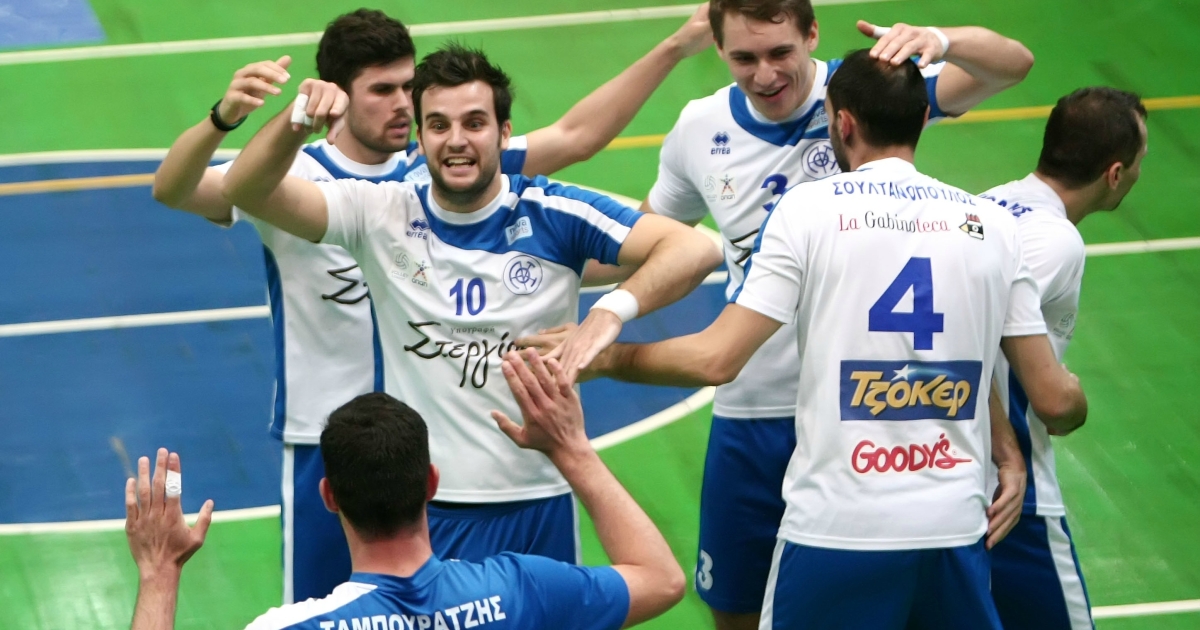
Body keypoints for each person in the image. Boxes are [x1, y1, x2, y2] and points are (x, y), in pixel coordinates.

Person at [152, 7, 715, 603]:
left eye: (409, 88)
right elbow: (193, 187)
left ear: (499, 131)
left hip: (452, 455)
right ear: (338, 96)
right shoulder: (342, 194)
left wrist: (608, 310)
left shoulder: (451, 176)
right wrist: (245, 118)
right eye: (385, 91)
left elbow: (580, 140)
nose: (403, 105)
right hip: (333, 432)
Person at [535, 2, 1035, 627]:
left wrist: (941, 37)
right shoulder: (700, 127)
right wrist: (534, 260)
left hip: (862, 416)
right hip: (754, 410)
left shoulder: (868, 91)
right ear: (719, 51)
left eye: (780, 53)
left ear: (812, 36)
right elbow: (647, 237)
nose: (765, 74)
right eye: (744, 58)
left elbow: (1013, 65)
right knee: (738, 607)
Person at [125, 350, 687, 630]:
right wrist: (571, 449)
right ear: (431, 483)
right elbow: (661, 580)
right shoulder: (523, 589)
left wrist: (160, 571)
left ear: (329, 497)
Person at [979, 87, 1148, 630]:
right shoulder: (1055, 240)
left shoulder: (985, 202)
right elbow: (973, 340)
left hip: (943, 479)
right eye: (1139, 163)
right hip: (1013, 500)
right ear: (1115, 173)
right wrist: (1067, 397)